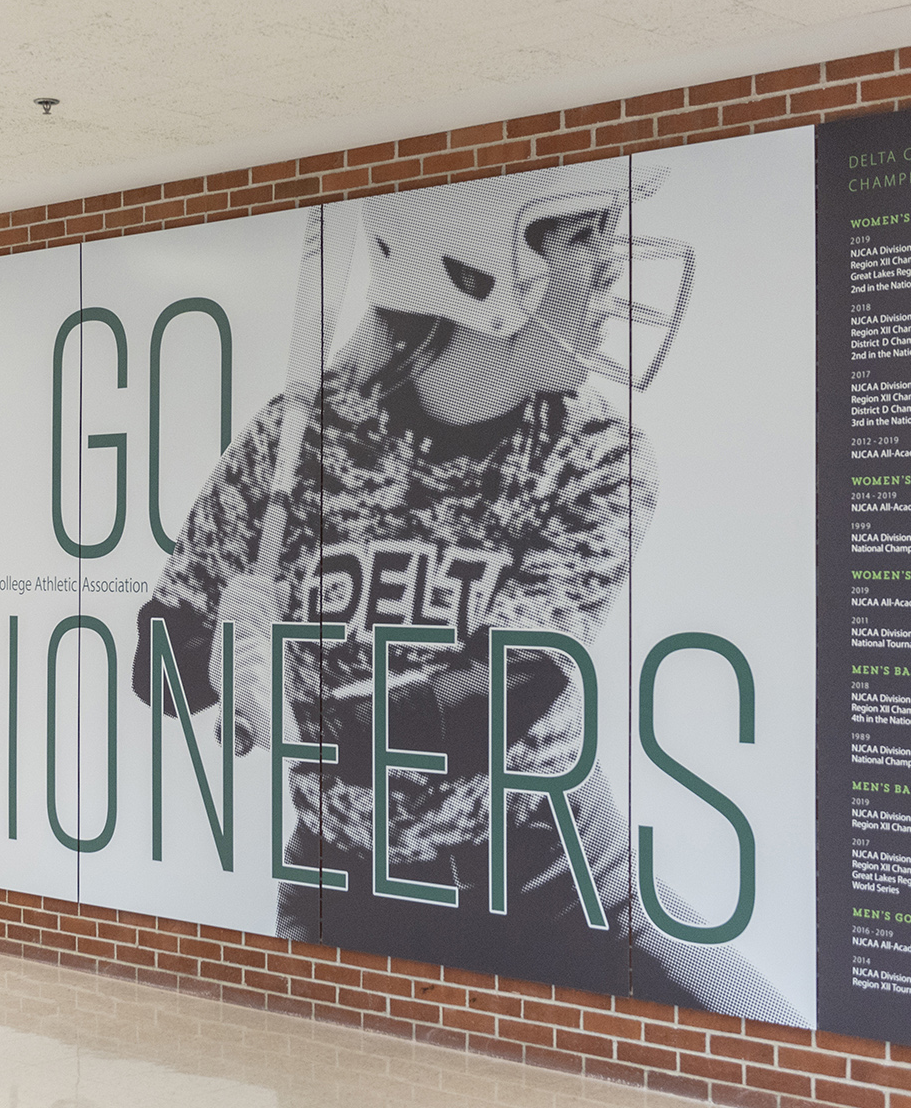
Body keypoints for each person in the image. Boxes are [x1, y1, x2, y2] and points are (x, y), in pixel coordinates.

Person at [136, 167, 800, 1023]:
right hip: (349, 905)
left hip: (555, 888)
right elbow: (157, 659)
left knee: (787, 1055)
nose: (611, 268)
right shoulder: (294, 443)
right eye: (584, 234)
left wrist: (309, 725)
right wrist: (218, 663)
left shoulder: (596, 453)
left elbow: (509, 684)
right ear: (475, 271)